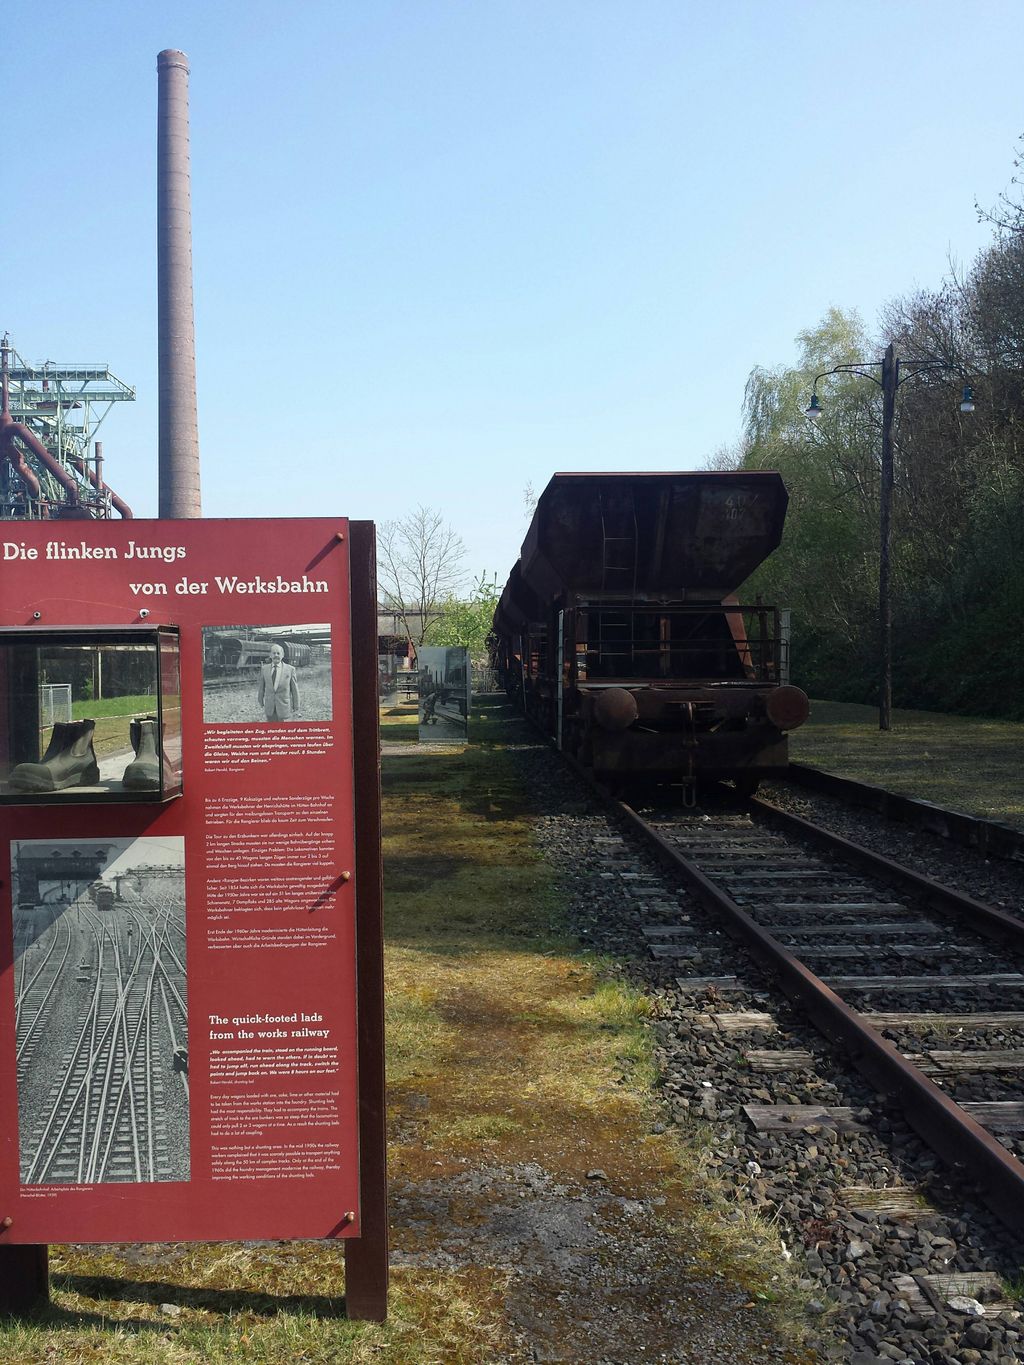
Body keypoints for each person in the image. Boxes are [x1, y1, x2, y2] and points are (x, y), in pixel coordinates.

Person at [257, 643, 300, 721]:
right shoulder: (264, 669)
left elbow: (294, 689)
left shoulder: (290, 669)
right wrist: (260, 700)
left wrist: (296, 705)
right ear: (270, 655)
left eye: (278, 653)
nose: (276, 655)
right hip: (269, 707)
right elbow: (261, 687)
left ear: (282, 655)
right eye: (273, 653)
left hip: (284, 707)